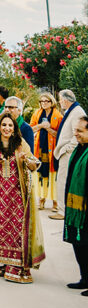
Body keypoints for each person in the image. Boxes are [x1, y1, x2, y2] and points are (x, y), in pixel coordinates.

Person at [0, 112, 46, 283]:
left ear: (14, 129)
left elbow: (34, 164)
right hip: (1, 193)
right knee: (3, 225)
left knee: (18, 227)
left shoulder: (20, 143)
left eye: (10, 125)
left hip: (19, 193)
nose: (7, 128)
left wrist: (26, 161)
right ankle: (6, 261)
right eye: (4, 125)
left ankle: (19, 266)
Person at [62, 116, 88, 294]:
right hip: (75, 208)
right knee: (78, 244)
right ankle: (85, 278)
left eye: (80, 131)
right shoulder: (80, 148)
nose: (75, 134)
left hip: (85, 210)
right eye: (75, 130)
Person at [55, 89, 86, 221]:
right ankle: (62, 209)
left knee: (63, 181)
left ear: (65, 100)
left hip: (68, 153)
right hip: (66, 152)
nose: (60, 102)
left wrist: (67, 150)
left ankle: (62, 211)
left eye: (60, 99)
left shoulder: (77, 112)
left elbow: (77, 133)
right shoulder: (73, 111)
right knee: (62, 180)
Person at [31, 91, 62, 211]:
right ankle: (41, 199)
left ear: (51, 102)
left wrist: (48, 128)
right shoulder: (37, 113)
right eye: (41, 101)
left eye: (46, 101)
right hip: (39, 148)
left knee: (53, 174)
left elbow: (59, 134)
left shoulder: (58, 116)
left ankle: (55, 202)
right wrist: (41, 126)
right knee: (40, 172)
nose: (43, 103)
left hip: (52, 149)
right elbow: (31, 129)